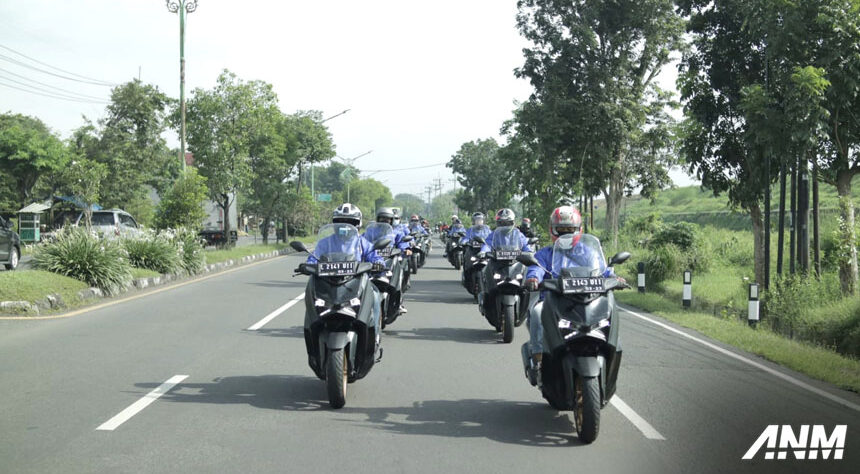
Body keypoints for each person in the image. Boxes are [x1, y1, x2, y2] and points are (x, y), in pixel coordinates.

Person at [523, 205, 614, 385]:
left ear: (579, 230)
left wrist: (613, 277)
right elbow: (535, 268)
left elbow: (601, 269)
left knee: (608, 312)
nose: (566, 235)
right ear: (552, 231)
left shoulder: (587, 252)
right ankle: (539, 361)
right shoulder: (545, 253)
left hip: (585, 301)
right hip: (552, 302)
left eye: (570, 231)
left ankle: (606, 355)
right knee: (536, 313)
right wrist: (533, 278)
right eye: (561, 231)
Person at [305, 203, 384, 267]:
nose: (345, 226)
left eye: (350, 222)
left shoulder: (362, 243)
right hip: (327, 281)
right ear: (334, 223)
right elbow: (314, 257)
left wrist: (378, 263)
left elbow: (375, 257)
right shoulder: (325, 243)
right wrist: (309, 264)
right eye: (340, 221)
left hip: (356, 281)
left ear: (358, 224)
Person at [365, 207, 411, 314]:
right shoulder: (371, 230)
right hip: (372, 259)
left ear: (391, 220)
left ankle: (398, 302)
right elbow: (364, 240)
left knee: (398, 275)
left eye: (388, 219)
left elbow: (402, 242)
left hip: (390, 259)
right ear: (378, 219)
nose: (385, 221)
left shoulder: (396, 231)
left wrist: (406, 249)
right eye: (382, 218)